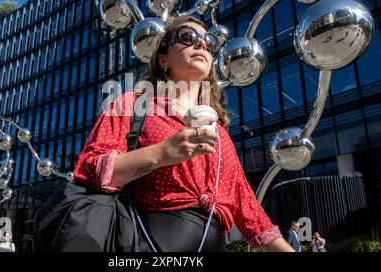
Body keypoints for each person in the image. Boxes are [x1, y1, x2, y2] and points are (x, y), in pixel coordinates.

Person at [74, 15, 295, 252]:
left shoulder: (218, 131)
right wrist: (161, 153)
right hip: (148, 242)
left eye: (209, 43)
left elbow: (247, 207)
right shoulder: (132, 105)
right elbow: (88, 169)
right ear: (163, 59)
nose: (201, 44)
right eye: (188, 37)